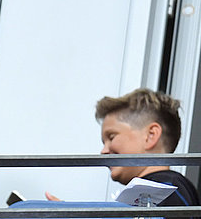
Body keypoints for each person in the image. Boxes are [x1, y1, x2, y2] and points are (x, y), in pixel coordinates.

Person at [46, 88, 200, 208]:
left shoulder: (167, 190)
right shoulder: (157, 193)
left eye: (111, 137)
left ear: (151, 135)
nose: (103, 151)